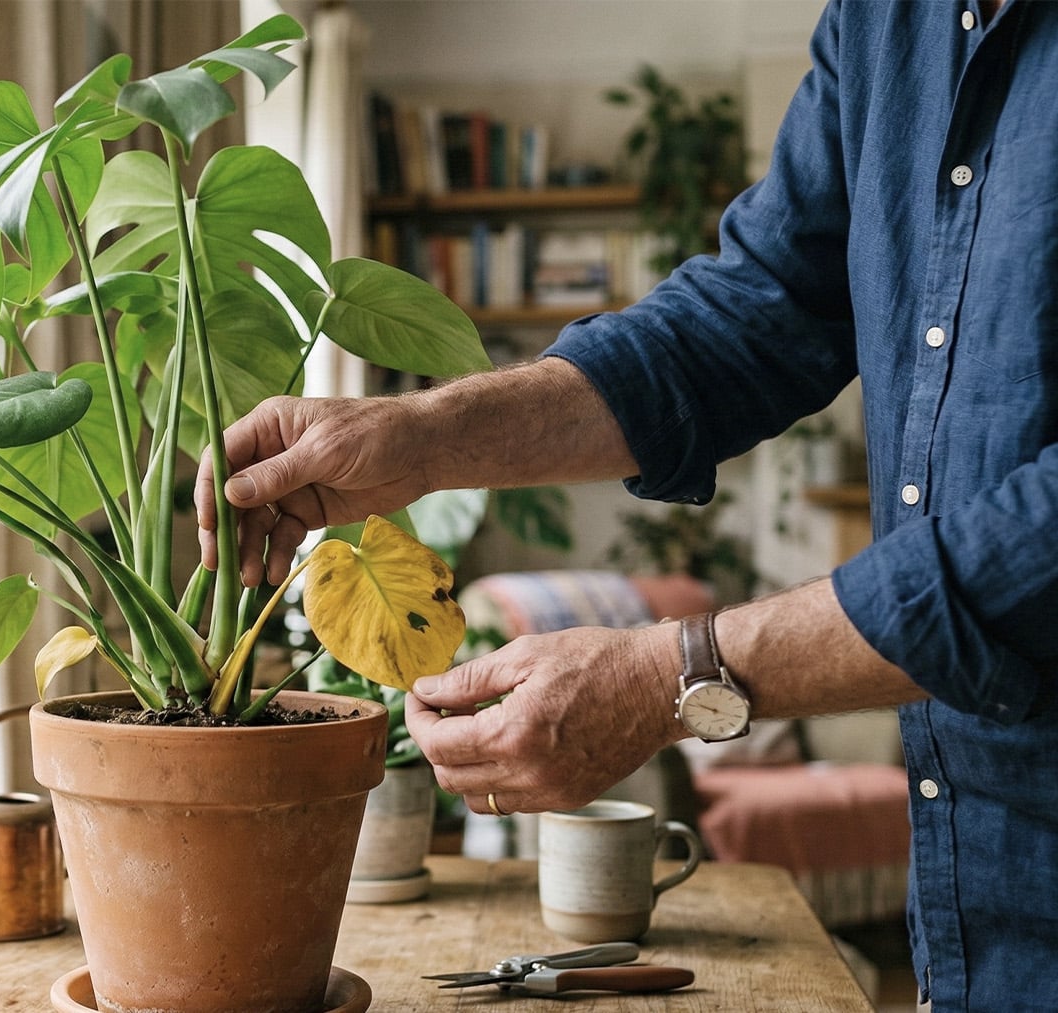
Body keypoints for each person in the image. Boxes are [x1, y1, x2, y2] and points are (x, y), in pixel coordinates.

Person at [196, 2, 1055, 1009]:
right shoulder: (886, 22)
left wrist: (676, 675)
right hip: (974, 897)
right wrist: (418, 438)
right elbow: (752, 314)